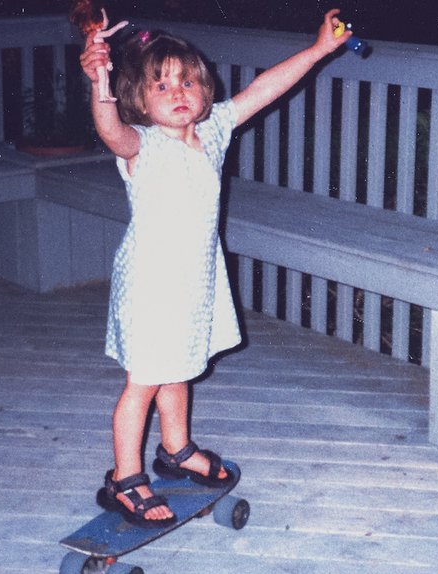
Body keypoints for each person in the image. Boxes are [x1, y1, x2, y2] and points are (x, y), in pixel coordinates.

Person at [79, 8, 350, 528]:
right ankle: (125, 478)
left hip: (195, 281)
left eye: (187, 81)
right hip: (151, 286)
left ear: (205, 90)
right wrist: (101, 83)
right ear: (141, 99)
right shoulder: (143, 145)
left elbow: (267, 88)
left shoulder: (216, 128)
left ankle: (176, 451)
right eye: (161, 85)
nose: (177, 91)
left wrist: (318, 50)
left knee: (180, 368)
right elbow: (109, 130)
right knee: (144, 383)